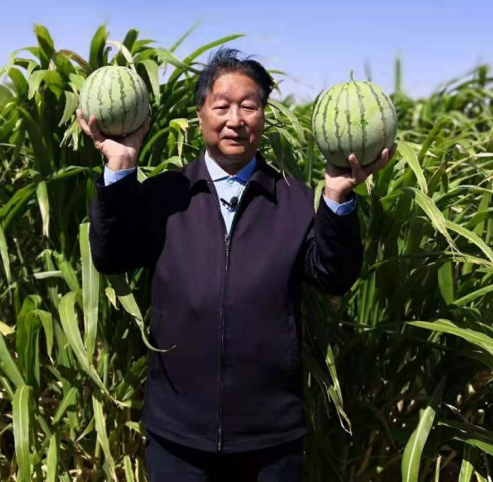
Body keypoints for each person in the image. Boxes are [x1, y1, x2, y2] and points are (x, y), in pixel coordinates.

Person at [77, 48, 395, 481]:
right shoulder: (164, 195)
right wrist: (120, 168)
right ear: (200, 113)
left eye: (249, 106)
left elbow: (334, 278)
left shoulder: (297, 200)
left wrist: (337, 196)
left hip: (270, 438)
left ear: (264, 116)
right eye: (222, 105)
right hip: (178, 435)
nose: (235, 118)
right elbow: (112, 256)